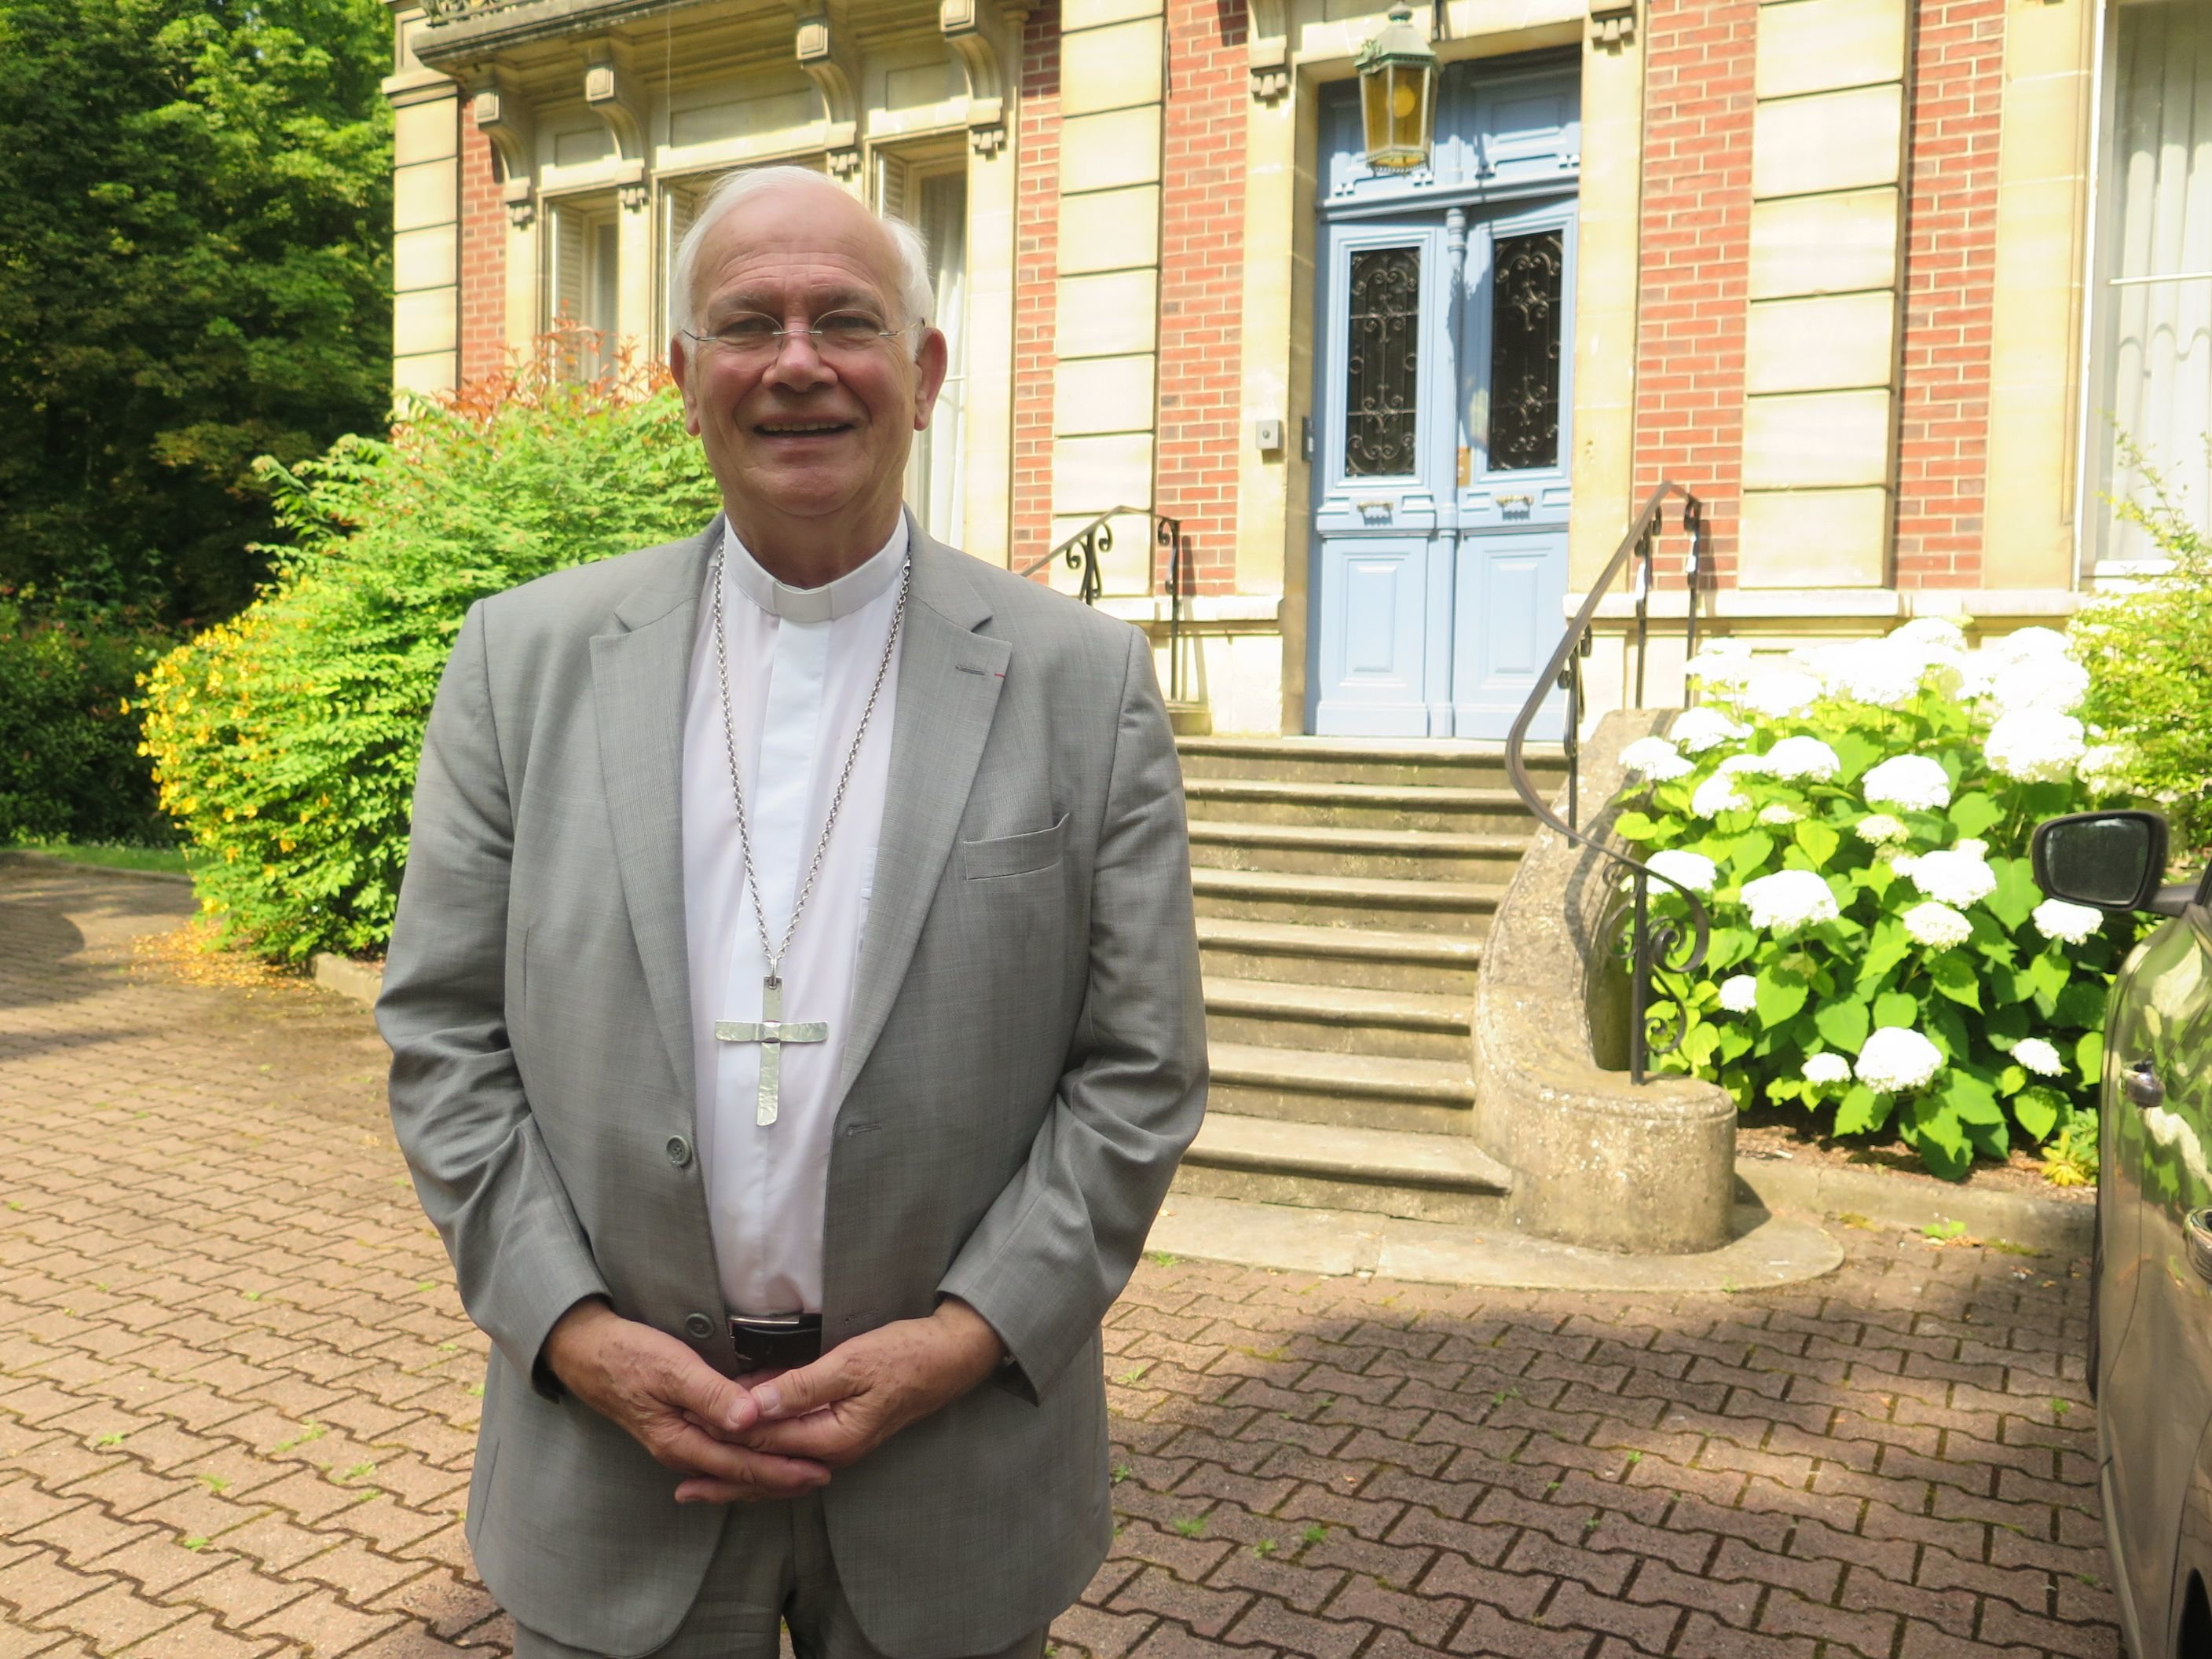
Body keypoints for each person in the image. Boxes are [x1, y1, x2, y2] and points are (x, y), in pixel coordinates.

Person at [377, 165, 1207, 1659]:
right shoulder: (523, 663)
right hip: (617, 1466)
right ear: (686, 381)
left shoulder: (1080, 682)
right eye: (748, 324)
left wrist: (963, 1342)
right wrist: (572, 1333)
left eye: (849, 320)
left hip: (953, 1471)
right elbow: (442, 1035)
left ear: (925, 371)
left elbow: (1140, 1072)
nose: (800, 362)